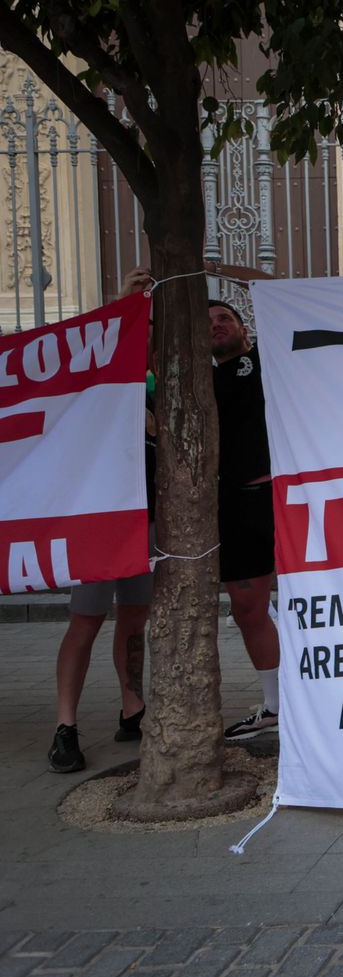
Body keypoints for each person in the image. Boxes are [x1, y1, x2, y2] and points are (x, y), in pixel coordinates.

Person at [48, 270, 156, 773]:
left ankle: (131, 708)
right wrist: (118, 304)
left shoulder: (160, 378)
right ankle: (64, 727)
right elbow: (73, 359)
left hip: (144, 517)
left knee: (134, 618)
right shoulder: (97, 378)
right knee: (85, 622)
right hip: (99, 517)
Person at [210, 300, 282, 740]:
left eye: (224, 319)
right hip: (232, 503)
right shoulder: (196, 380)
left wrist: (214, 268)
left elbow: (284, 294)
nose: (216, 327)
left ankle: (327, 696)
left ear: (243, 327)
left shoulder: (264, 358)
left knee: (310, 600)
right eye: (207, 324)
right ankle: (275, 707)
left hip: (282, 497)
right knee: (248, 608)